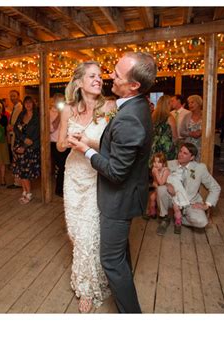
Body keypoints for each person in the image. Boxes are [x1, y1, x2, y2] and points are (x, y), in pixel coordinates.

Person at [69, 52, 157, 313]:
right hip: (127, 195)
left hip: (119, 200)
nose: (110, 76)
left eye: (117, 74)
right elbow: (118, 148)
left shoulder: (130, 117)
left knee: (110, 260)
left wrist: (86, 150)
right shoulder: (134, 107)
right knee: (120, 256)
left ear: (134, 86)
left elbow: (117, 172)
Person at [56, 61, 115, 313]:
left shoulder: (110, 107)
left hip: (96, 174)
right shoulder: (68, 110)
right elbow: (58, 144)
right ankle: (91, 276)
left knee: (89, 233)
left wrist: (88, 141)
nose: (99, 79)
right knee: (75, 232)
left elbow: (114, 147)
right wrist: (70, 141)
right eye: (92, 76)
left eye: (100, 76)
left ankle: (86, 288)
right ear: (79, 82)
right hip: (74, 175)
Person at [156, 142, 221, 236]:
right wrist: (166, 184)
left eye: (185, 153)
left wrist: (206, 205)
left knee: (202, 222)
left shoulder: (200, 168)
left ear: (192, 157)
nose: (180, 154)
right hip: (173, 199)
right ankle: (164, 218)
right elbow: (156, 181)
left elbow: (215, 187)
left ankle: (179, 218)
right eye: (180, 151)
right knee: (161, 189)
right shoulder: (169, 164)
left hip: (190, 203)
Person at [12, 96, 41, 204]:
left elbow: (37, 134)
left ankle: (28, 194)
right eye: (26, 103)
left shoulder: (37, 116)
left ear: (33, 104)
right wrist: (23, 139)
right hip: (19, 145)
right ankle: (24, 191)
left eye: (30, 102)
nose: (28, 105)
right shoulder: (22, 114)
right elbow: (15, 128)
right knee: (20, 171)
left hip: (30, 148)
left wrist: (25, 146)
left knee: (25, 173)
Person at [50, 93, 69, 197]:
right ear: (54, 101)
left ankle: (65, 188)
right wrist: (60, 114)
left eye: (62, 101)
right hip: (54, 143)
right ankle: (59, 190)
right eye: (58, 101)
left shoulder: (67, 111)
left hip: (66, 143)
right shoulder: (49, 112)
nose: (60, 103)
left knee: (67, 167)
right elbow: (51, 128)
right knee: (62, 167)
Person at [149, 95, 176, 166]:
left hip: (155, 147)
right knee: (167, 170)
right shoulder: (170, 118)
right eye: (171, 102)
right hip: (166, 148)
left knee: (156, 168)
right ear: (168, 104)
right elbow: (175, 136)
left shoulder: (153, 117)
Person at [7, 90, 23, 189]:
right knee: (15, 159)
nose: (12, 98)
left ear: (18, 96)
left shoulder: (20, 108)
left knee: (17, 159)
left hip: (18, 137)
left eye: (14, 96)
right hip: (14, 135)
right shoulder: (15, 107)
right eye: (11, 96)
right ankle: (17, 181)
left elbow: (19, 123)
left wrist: (12, 127)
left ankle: (19, 182)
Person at [179, 95, 203, 161]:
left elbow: (210, 130)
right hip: (189, 147)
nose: (190, 105)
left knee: (200, 167)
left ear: (199, 103)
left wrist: (201, 132)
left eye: (192, 102)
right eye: (189, 103)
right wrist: (190, 134)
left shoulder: (206, 115)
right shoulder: (187, 116)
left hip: (202, 147)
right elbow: (181, 132)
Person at [147, 152, 170, 219]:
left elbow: (162, 183)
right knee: (152, 197)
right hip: (158, 188)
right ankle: (153, 212)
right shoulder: (155, 170)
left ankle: (160, 211)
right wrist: (154, 183)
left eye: (159, 162)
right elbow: (155, 181)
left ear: (164, 164)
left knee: (154, 197)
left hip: (166, 190)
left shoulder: (166, 171)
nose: (156, 164)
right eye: (154, 162)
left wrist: (156, 173)